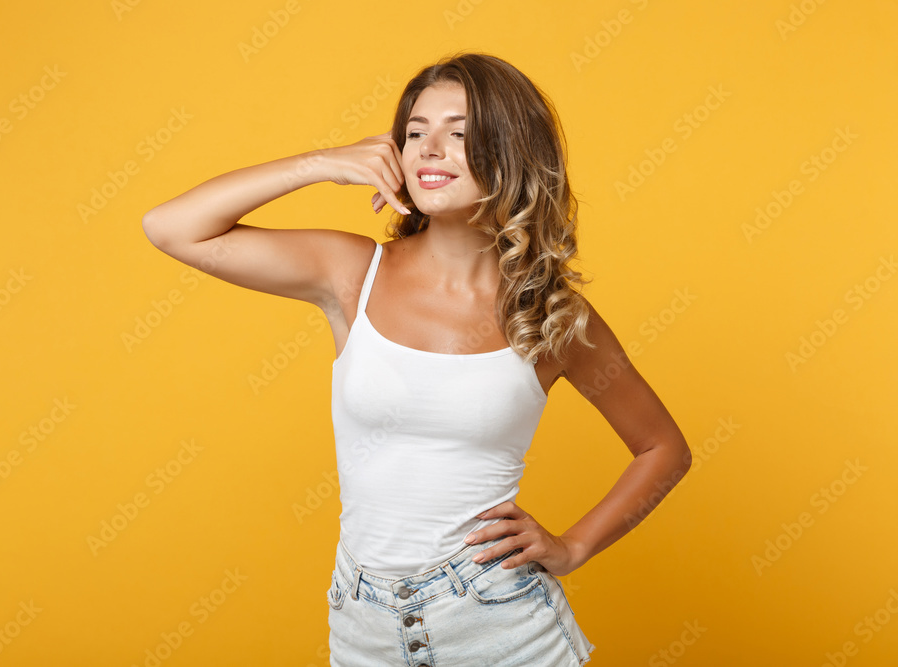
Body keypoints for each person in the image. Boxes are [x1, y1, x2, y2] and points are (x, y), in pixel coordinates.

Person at [142, 51, 691, 667]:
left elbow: (663, 449)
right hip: (363, 622)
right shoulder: (351, 273)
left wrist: (572, 547)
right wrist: (320, 163)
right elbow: (172, 227)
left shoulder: (552, 316)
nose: (430, 148)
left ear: (511, 154)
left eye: (459, 133)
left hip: (499, 622)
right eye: (415, 133)